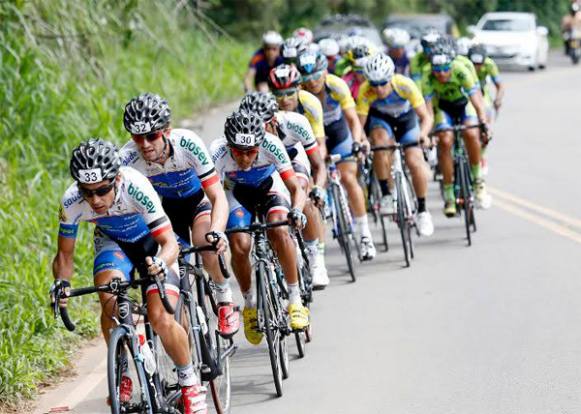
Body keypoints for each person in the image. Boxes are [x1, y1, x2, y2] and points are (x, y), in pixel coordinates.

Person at [51, 139, 208, 413]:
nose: (95, 200)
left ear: (117, 178)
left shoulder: (136, 186)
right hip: (114, 244)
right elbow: (65, 255)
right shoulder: (71, 201)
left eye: (102, 190)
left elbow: (169, 243)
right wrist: (61, 284)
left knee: (160, 318)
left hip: (152, 244)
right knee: (107, 295)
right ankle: (122, 368)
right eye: (87, 193)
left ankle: (189, 382)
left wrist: (160, 263)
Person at [120, 93, 239, 336]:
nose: (144, 144)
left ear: (167, 131)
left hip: (197, 203)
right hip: (166, 213)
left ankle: (223, 296)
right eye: (137, 137)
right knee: (170, 270)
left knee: (205, 242)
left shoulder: (188, 143)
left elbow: (217, 196)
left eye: (152, 135)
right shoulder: (127, 159)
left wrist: (217, 230)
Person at [211, 110, 309, 345]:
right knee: (240, 244)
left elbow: (295, 188)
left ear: (260, 144)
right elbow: (212, 196)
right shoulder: (217, 151)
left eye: (251, 152)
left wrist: (296, 211)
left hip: (270, 189)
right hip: (236, 195)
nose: (244, 159)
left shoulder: (272, 145)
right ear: (228, 145)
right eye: (238, 152)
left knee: (279, 229)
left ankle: (295, 298)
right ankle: (250, 304)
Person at [239, 92, 329, 288]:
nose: (254, 130)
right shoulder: (246, 134)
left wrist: (319, 188)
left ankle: (316, 259)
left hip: (293, 159)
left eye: (260, 125)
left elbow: (318, 164)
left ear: (273, 119)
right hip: (265, 166)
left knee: (302, 196)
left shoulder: (295, 123)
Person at [296, 50, 376, 260]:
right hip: (312, 137)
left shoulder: (336, 85)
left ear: (325, 72)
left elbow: (352, 120)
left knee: (349, 177)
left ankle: (365, 235)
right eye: (307, 78)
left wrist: (358, 141)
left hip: (338, 131)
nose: (312, 82)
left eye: (316, 76)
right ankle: (318, 252)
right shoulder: (299, 94)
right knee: (313, 189)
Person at [357, 53, 434, 236]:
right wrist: (363, 141)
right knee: (379, 143)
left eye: (383, 83)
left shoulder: (404, 84)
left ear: (391, 77)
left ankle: (422, 211)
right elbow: (358, 126)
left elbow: (426, 117)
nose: (379, 89)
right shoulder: (365, 90)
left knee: (415, 161)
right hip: (382, 122)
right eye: (374, 84)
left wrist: (423, 135)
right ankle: (385, 193)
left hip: (407, 121)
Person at [268, 64, 331, 269]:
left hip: (301, 149)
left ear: (299, 88)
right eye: (278, 93)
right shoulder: (266, 108)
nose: (284, 99)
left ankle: (316, 256)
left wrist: (318, 184)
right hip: (274, 157)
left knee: (305, 192)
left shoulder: (310, 103)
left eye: (289, 93)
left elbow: (318, 145)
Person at [422, 43, 492, 217]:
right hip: (443, 108)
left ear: (451, 65)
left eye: (445, 69)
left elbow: (477, 100)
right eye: (437, 70)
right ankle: (449, 194)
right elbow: (429, 113)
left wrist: (483, 122)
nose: (441, 74)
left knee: (471, 132)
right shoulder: (427, 77)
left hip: (464, 104)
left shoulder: (461, 70)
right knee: (445, 140)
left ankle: (477, 181)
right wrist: (427, 133)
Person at [468, 44, 505, 176]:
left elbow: (500, 85)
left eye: (479, 64)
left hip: (483, 96)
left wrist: (498, 99)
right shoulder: (464, 65)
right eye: (474, 63)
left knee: (486, 126)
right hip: (466, 96)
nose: (477, 67)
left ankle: (481, 155)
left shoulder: (490, 65)